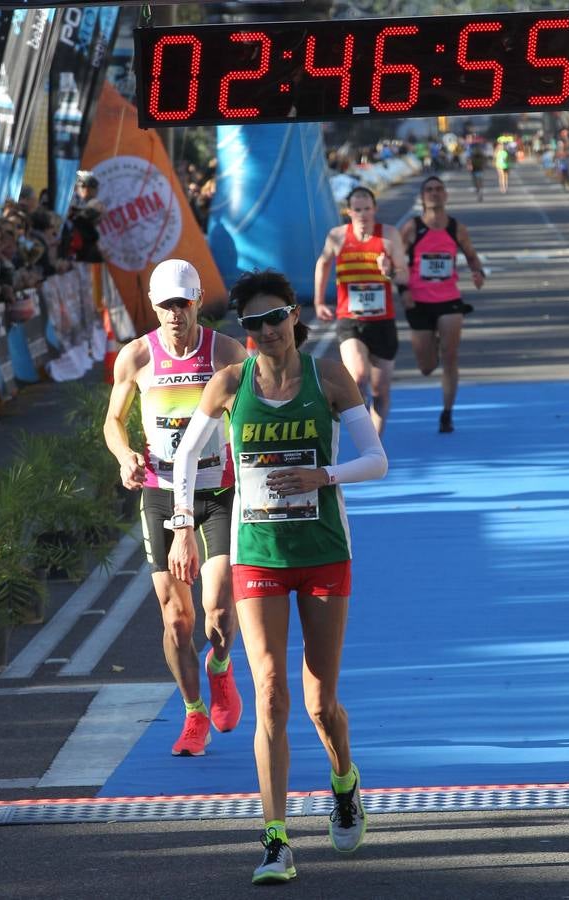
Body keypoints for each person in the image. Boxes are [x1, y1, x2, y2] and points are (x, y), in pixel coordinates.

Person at [168, 269, 388, 884]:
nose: (266, 331)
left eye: (275, 318)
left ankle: (344, 781)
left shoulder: (329, 377)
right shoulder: (230, 384)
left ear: (295, 316)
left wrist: (327, 476)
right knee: (268, 693)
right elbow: (186, 458)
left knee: (319, 704)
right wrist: (184, 524)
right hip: (258, 554)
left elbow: (377, 459)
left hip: (322, 551)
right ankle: (275, 839)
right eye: (253, 323)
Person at [103, 258, 247, 757]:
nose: (174, 314)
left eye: (183, 303)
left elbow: (249, 415)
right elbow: (113, 420)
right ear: (154, 305)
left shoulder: (226, 352)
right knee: (175, 618)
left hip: (217, 491)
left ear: (198, 300)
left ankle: (221, 668)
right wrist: (124, 454)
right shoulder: (137, 357)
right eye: (165, 304)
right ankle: (193, 713)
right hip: (161, 491)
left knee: (218, 609)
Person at [314, 186, 408, 434]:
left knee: (381, 391)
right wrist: (319, 301)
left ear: (375, 209)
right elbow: (322, 264)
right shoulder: (337, 236)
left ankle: (375, 440)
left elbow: (405, 275)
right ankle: (363, 430)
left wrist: (389, 270)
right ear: (349, 211)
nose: (363, 214)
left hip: (383, 322)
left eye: (367, 209)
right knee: (358, 377)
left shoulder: (388, 236)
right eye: (357, 210)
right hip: (350, 320)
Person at [399, 176, 485, 433]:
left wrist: (478, 272)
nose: (434, 194)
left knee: (450, 357)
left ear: (446, 195)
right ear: (422, 197)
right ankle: (432, 345)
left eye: (438, 190)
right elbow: (398, 264)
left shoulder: (456, 228)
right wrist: (403, 289)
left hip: (449, 301)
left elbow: (471, 254)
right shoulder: (412, 228)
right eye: (429, 190)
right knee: (426, 367)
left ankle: (447, 413)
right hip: (419, 303)